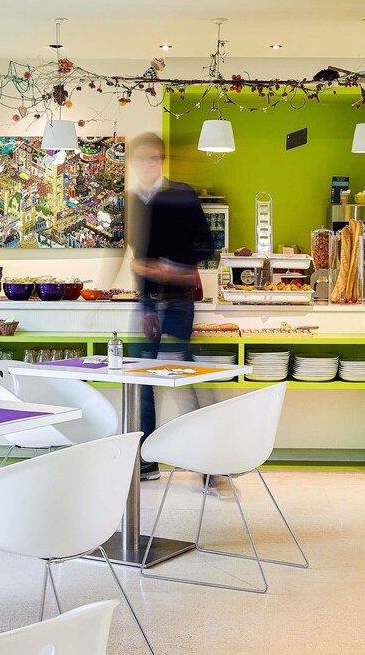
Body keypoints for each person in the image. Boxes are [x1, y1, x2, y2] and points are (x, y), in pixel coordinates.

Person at [126, 132, 214, 481]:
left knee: (185, 379)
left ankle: (208, 460)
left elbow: (206, 245)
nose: (147, 164)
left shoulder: (181, 194)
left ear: (161, 160)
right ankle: (147, 461)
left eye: (154, 157)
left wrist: (171, 268)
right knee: (142, 382)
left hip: (177, 304)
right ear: (132, 162)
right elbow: (136, 253)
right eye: (141, 158)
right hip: (146, 305)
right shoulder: (132, 201)